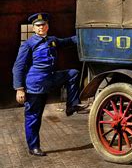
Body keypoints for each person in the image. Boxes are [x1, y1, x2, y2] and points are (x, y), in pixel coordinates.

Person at [12, 13, 87, 156]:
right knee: (34, 116)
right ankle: (33, 147)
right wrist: (19, 89)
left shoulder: (51, 40)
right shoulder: (28, 45)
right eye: (38, 25)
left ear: (48, 26)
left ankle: (71, 105)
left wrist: (86, 36)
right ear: (33, 28)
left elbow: (67, 41)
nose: (41, 27)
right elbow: (18, 67)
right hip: (36, 84)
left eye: (43, 24)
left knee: (73, 73)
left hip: (50, 79)